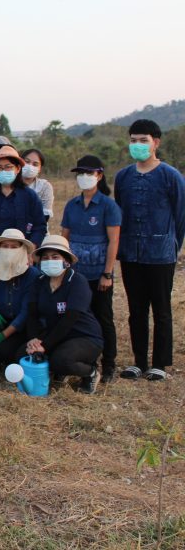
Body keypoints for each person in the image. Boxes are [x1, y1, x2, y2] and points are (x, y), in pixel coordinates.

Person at [114, 119, 185, 381]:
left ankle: (159, 363)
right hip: (130, 253)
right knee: (136, 310)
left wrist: (172, 245)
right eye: (133, 140)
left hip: (161, 254)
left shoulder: (170, 176)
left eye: (143, 140)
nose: (138, 145)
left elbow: (180, 216)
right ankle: (139, 361)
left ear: (156, 142)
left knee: (162, 310)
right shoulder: (123, 177)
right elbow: (119, 211)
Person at [61, 155, 121, 382]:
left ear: (99, 175)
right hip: (77, 275)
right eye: (81, 173)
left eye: (89, 173)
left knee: (103, 317)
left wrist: (107, 273)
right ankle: (86, 361)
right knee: (78, 318)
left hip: (98, 275)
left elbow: (113, 241)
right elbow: (65, 238)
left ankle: (109, 364)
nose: (84, 177)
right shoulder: (72, 205)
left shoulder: (108, 206)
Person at [21, 235, 103, 394]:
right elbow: (32, 314)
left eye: (55, 257)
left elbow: (70, 319)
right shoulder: (39, 281)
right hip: (54, 335)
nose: (49, 260)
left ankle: (91, 372)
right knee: (22, 354)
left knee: (61, 361)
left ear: (66, 260)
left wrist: (44, 346)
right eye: (45, 258)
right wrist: (33, 339)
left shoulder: (78, 281)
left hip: (84, 336)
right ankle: (56, 371)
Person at [0, 146, 46, 276]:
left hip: (20, 258)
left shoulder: (30, 196)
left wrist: (30, 252)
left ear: (17, 169)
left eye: (8, 167)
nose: (3, 171)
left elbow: (39, 227)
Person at [0, 229, 39, 371]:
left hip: (22, 327)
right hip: (2, 320)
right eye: (5, 246)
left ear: (22, 250)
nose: (9, 250)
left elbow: (25, 313)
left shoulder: (32, 275)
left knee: (4, 352)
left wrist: (2, 336)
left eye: (14, 247)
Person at [21, 148, 54, 221]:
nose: (30, 166)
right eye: (27, 162)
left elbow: (45, 216)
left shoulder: (45, 186)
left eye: (35, 164)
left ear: (40, 169)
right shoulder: (11, 184)